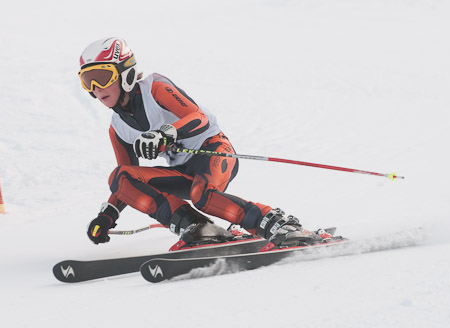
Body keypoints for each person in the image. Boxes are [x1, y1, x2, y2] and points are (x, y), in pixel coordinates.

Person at [79, 37, 330, 249]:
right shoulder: (118, 128)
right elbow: (126, 183)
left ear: (126, 74)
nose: (96, 88)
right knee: (119, 176)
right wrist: (108, 214)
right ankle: (196, 227)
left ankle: (278, 225)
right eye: (87, 80)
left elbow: (198, 117)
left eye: (102, 76)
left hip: (213, 150)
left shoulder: (154, 88)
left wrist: (166, 134)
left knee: (202, 194)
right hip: (183, 171)